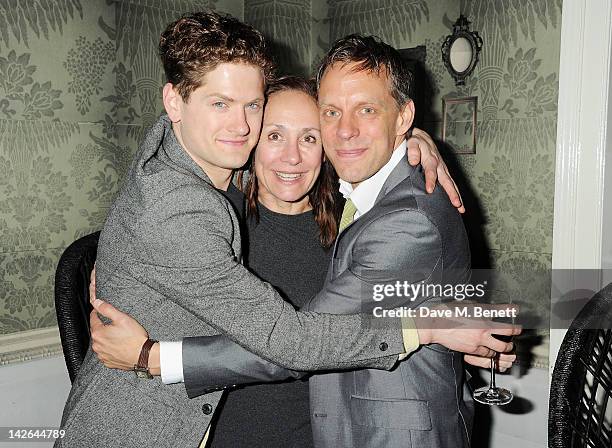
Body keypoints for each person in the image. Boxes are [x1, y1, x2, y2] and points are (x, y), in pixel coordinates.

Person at [57, 11, 516, 448]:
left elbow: (396, 280)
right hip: (209, 432)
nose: (291, 155)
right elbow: (290, 339)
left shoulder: (351, 213)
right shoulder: (209, 214)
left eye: (310, 134)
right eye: (274, 134)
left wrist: (414, 140)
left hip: (321, 430)